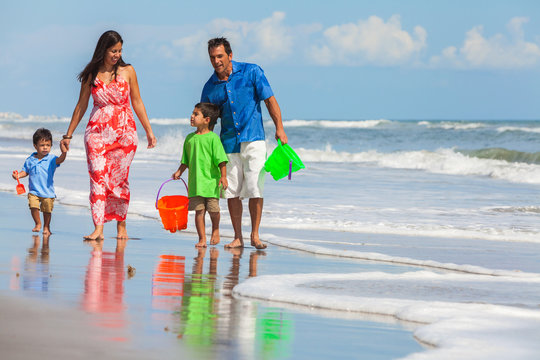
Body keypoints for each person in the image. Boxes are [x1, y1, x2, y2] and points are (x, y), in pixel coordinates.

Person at [61, 30, 157, 240]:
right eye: (113, 50)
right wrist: (68, 136)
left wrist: (149, 131)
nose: (117, 54)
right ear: (103, 50)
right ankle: (99, 228)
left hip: (124, 134)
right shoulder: (91, 75)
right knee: (97, 177)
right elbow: (81, 106)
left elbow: (137, 102)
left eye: (120, 50)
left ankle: (121, 227)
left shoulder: (128, 71)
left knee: (119, 180)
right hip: (96, 133)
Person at [201, 37, 288, 249]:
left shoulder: (252, 72)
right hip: (228, 144)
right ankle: (238, 237)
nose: (216, 61)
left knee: (255, 189)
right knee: (232, 192)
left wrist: (280, 128)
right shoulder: (210, 87)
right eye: (212, 57)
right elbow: (208, 122)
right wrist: (206, 150)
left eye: (220, 56)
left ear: (230, 55)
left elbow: (270, 100)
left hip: (254, 138)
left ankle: (255, 235)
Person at [172, 103, 228, 248]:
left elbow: (221, 159)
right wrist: (179, 171)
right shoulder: (190, 139)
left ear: (207, 120)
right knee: (199, 211)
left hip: (211, 182)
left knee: (213, 210)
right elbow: (186, 160)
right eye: (192, 113)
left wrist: (223, 176)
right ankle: (202, 238)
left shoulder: (213, 138)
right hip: (195, 183)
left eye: (196, 114)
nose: (192, 116)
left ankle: (215, 229)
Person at [13, 128, 67, 235]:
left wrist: (64, 151)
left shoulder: (52, 159)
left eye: (48, 145)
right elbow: (25, 171)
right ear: (35, 146)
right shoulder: (30, 159)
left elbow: (61, 159)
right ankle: (38, 223)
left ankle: (46, 227)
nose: (45, 147)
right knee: (33, 207)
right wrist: (18, 175)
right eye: (42, 145)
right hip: (34, 191)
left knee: (47, 211)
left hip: (48, 192)